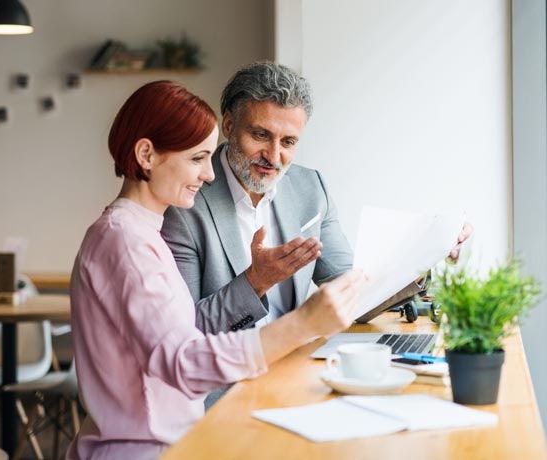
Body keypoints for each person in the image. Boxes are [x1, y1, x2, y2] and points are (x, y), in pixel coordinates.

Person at [67, 80, 365, 460]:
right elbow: (183, 362)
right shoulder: (125, 243)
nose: (209, 175)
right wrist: (301, 325)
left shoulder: (139, 234)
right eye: (196, 159)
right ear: (146, 154)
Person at [161, 61, 472, 339]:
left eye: (288, 142)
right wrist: (255, 282)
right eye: (260, 135)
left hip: (295, 365)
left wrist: (426, 253)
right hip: (223, 385)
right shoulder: (183, 202)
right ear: (228, 126)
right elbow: (184, 332)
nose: (274, 156)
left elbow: (355, 294)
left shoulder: (310, 189)